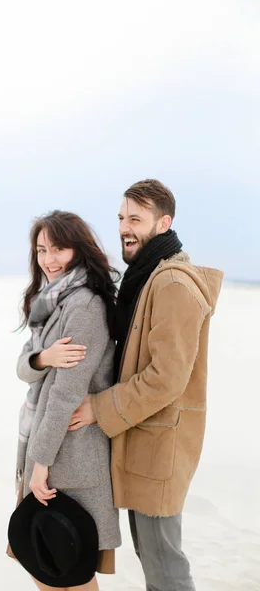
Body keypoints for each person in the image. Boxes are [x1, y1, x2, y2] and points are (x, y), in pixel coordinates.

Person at [68, 179, 224, 591]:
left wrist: (99, 408)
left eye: (136, 219)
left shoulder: (172, 284)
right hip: (144, 440)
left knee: (163, 565)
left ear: (163, 223)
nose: (124, 227)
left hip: (159, 448)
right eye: (121, 217)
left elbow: (166, 377)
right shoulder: (145, 278)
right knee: (155, 558)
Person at [10, 210, 121, 591]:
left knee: (66, 570)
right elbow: (23, 368)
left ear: (79, 249)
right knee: (44, 564)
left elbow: (66, 394)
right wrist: (43, 358)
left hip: (69, 457)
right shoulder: (47, 303)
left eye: (59, 249)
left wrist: (40, 463)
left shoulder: (85, 306)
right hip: (47, 448)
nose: (49, 259)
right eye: (42, 250)